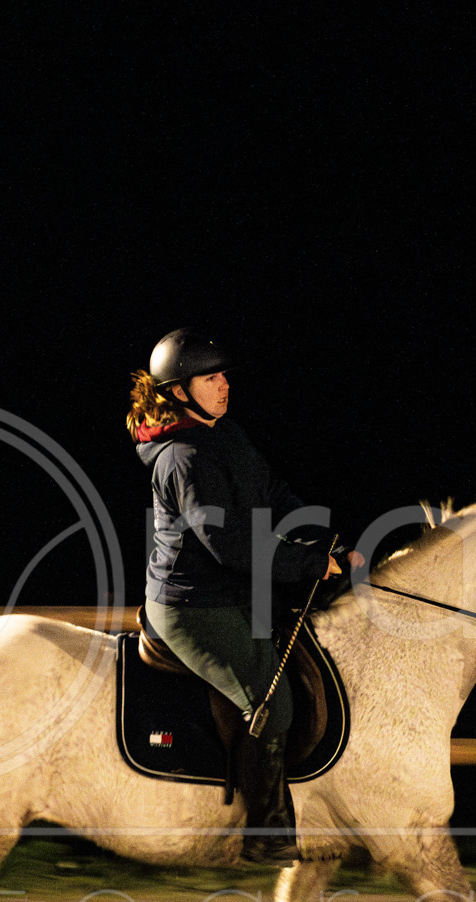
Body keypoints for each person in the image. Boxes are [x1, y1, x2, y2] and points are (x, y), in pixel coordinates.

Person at [128, 327, 364, 864]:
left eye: (223, 375)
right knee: (271, 701)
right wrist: (308, 564)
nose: (224, 384)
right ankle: (265, 832)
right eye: (210, 378)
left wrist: (324, 540)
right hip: (191, 605)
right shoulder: (183, 456)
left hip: (231, 591)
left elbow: (273, 494)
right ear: (180, 391)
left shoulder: (224, 434)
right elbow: (228, 545)